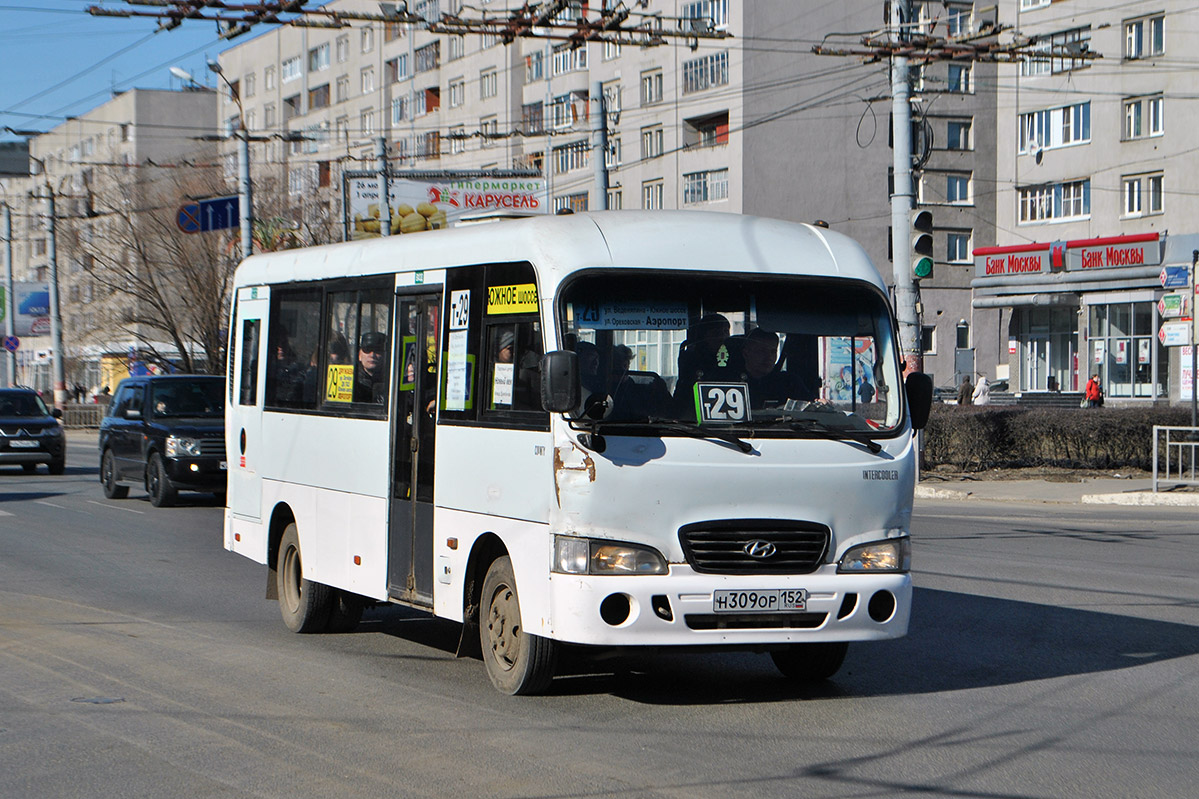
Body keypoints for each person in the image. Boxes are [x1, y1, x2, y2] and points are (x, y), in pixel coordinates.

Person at [354, 331, 388, 403]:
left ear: (385, 355)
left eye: (378, 350)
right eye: (367, 350)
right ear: (359, 355)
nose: (372, 355)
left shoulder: (391, 381)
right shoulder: (353, 381)